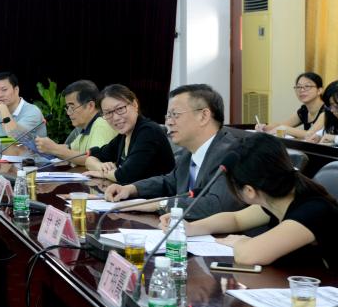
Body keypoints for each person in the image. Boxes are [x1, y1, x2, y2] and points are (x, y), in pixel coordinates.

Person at [162, 134, 338, 274]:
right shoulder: (278, 197)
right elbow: (236, 219)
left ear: (249, 191)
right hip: (292, 287)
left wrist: (241, 242)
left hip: (331, 299)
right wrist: (190, 227)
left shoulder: (313, 211)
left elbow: (248, 256)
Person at [105, 84, 245, 219]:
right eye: (168, 116)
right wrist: (131, 189)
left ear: (203, 116)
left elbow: (216, 205)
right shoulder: (188, 153)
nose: (169, 123)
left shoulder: (232, 154)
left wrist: (161, 204)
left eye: (175, 115)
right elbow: (170, 182)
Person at [83, 84, 174, 184]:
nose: (115, 118)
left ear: (134, 105)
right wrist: (101, 167)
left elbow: (125, 176)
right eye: (108, 113)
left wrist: (103, 174)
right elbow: (92, 156)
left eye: (120, 109)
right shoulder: (124, 135)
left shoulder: (149, 131)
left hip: (158, 194)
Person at [34, 80, 116, 162]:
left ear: (90, 106)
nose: (68, 113)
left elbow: (95, 159)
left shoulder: (101, 124)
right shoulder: (85, 129)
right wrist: (47, 146)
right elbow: (70, 151)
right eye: (67, 107)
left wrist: (54, 149)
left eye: (72, 107)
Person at [255, 72, 325, 137]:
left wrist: (284, 129)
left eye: (307, 86)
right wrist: (264, 127)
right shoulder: (304, 110)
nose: (302, 90)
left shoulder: (327, 110)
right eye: (298, 87)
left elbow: (310, 134)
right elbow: (281, 125)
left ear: (319, 90)